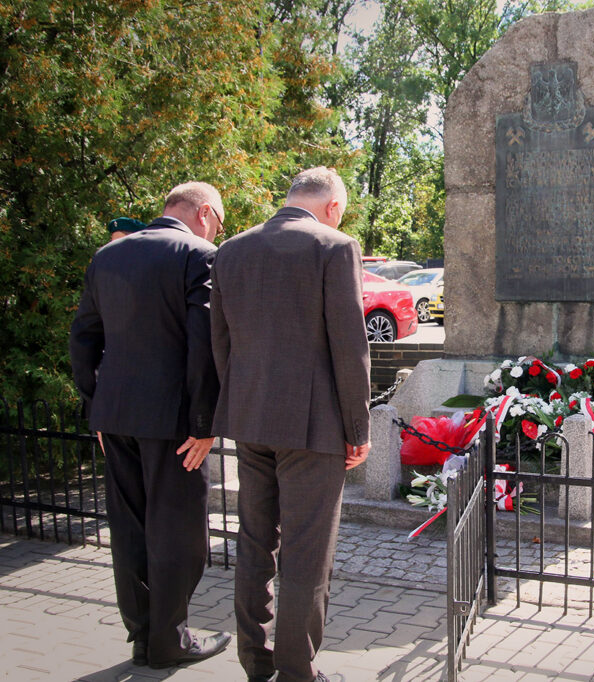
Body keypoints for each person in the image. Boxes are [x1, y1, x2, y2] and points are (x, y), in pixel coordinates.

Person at [211, 167, 371, 682]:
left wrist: (239, 401)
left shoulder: (231, 248)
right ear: (331, 207)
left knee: (255, 542)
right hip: (314, 427)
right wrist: (358, 428)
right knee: (306, 551)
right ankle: (297, 671)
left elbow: (221, 341)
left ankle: (256, 662)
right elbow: (350, 347)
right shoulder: (334, 246)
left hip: (250, 417)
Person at [69, 183, 230, 667]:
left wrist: (95, 406)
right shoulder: (200, 254)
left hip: (115, 416)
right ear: (204, 212)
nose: (219, 231)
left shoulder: (107, 257)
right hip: (175, 421)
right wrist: (204, 422)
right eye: (220, 222)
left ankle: (143, 633)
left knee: (131, 527)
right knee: (181, 531)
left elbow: (83, 337)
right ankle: (169, 640)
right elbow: (203, 345)